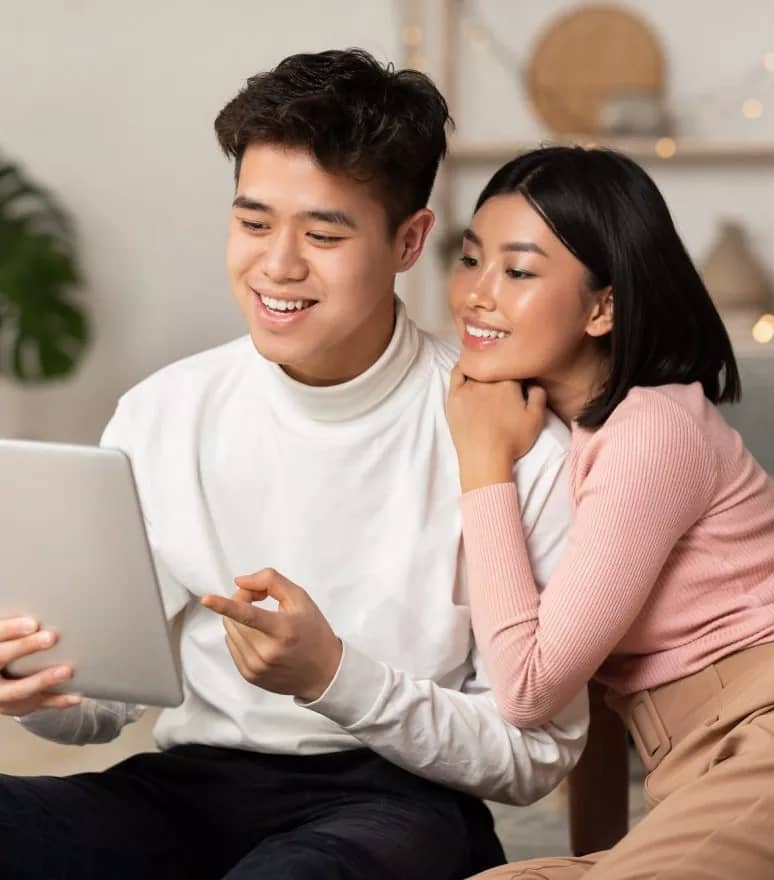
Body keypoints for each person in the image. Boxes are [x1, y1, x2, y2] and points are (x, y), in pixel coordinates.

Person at [0, 53, 588, 880]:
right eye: (252, 223)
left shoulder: (512, 438)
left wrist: (334, 676)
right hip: (187, 789)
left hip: (398, 803)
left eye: (322, 233)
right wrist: (34, 684)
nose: (277, 265)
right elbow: (102, 708)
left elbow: (534, 755)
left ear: (409, 240)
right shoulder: (163, 413)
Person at [445, 145, 774, 879]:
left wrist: (481, 465)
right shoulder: (553, 437)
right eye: (470, 259)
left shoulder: (650, 430)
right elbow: (592, 699)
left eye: (517, 271)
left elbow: (528, 690)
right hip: (706, 767)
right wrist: (595, 858)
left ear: (602, 306)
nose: (476, 295)